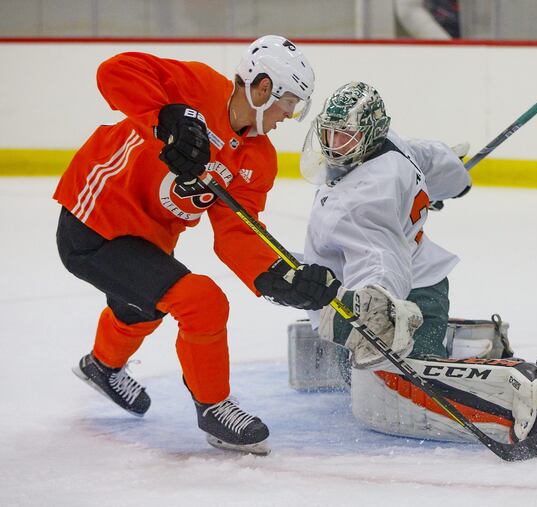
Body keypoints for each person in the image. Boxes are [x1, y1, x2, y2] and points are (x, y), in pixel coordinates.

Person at [54, 35, 340, 455]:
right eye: (289, 102)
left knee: (142, 305)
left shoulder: (258, 160)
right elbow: (114, 71)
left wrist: (278, 279)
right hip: (94, 218)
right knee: (201, 302)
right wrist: (168, 116)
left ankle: (101, 365)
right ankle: (214, 407)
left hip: (150, 238)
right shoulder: (196, 86)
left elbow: (237, 233)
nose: (289, 115)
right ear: (263, 88)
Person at [297, 81, 537, 447]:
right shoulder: (389, 147)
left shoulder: (366, 199)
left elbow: (384, 263)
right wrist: (452, 182)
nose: (333, 145)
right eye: (330, 133)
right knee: (351, 372)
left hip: (414, 299)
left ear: (369, 135)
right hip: (416, 276)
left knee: (415, 382)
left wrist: (377, 304)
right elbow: (433, 156)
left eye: (345, 136)